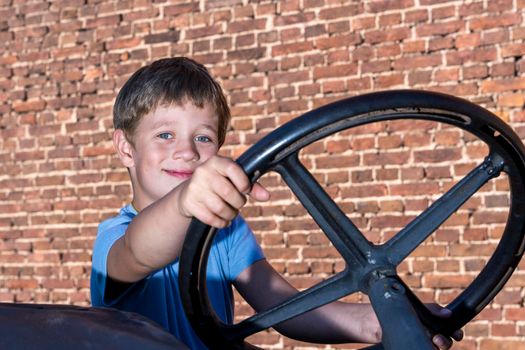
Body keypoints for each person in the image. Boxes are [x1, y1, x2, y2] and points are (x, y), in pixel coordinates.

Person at [90, 57, 462, 349]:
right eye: (165, 134)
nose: (186, 152)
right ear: (126, 148)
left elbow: (281, 306)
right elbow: (138, 253)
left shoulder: (224, 232)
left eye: (202, 138)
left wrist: (380, 322)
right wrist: (184, 202)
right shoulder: (115, 239)